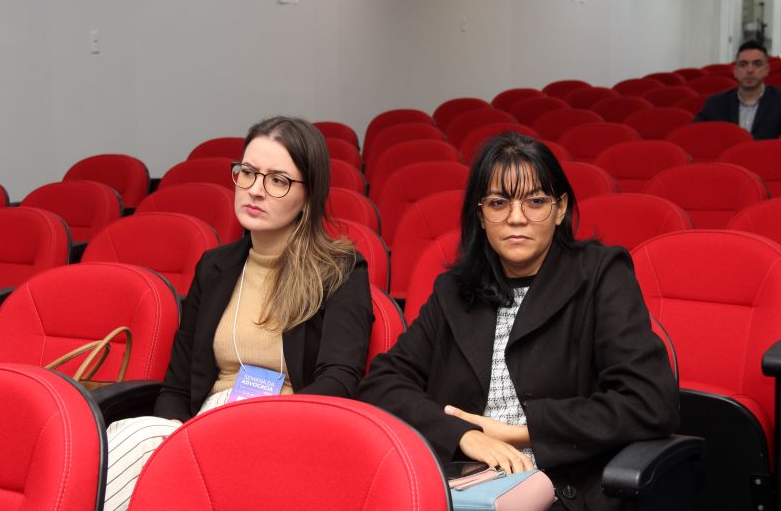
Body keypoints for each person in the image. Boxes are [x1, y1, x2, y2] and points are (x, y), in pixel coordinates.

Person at [357, 132, 679, 511]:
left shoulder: (601, 276)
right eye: (498, 203)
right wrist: (465, 435)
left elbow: (650, 402)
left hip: (563, 486)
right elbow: (382, 384)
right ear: (481, 214)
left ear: (560, 209)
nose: (516, 218)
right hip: (467, 482)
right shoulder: (454, 292)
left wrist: (521, 433)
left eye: (535, 202)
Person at [104, 116, 374, 511]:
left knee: (132, 442)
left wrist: (258, 428)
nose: (256, 190)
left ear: (309, 195)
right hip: (206, 425)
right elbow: (177, 387)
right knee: (137, 438)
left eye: (278, 180)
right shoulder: (214, 267)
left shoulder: (340, 271)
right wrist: (176, 439)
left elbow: (339, 380)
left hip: (286, 432)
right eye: (247, 173)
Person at [695, 40, 781, 139]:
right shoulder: (715, 104)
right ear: (735, 71)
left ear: (766, 70)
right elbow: (695, 135)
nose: (750, 70)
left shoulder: (779, 101)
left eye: (757, 64)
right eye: (743, 64)